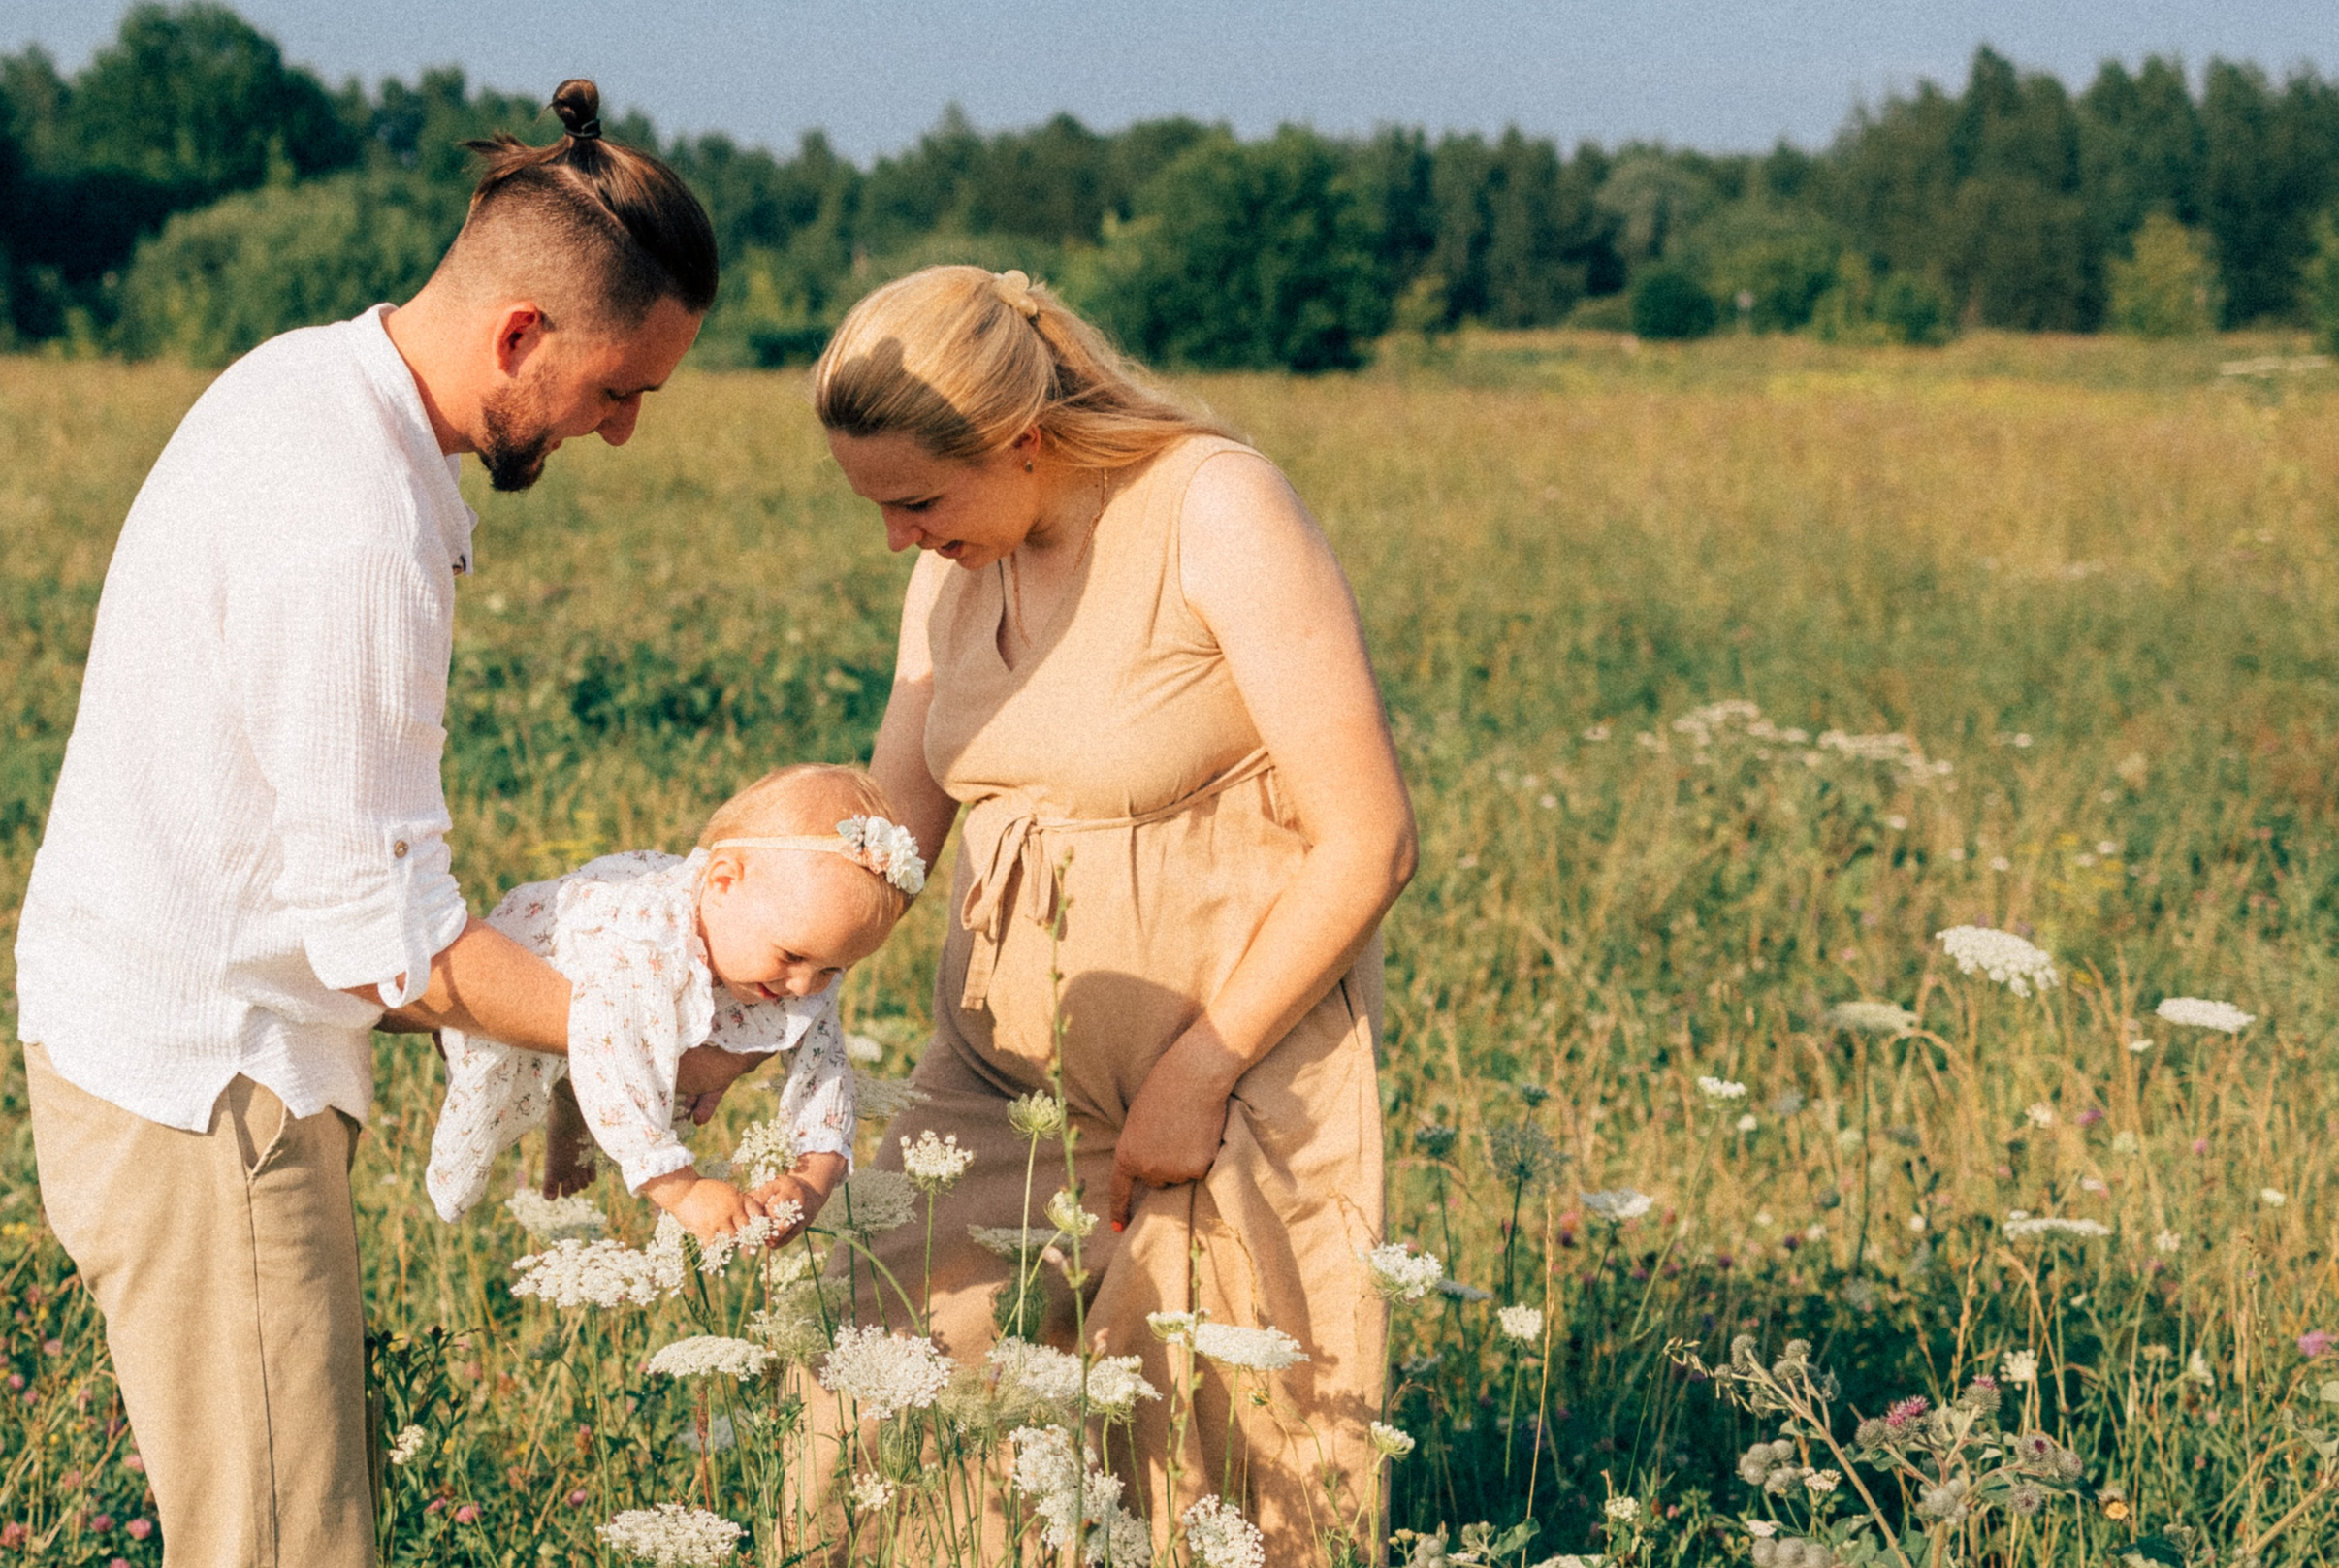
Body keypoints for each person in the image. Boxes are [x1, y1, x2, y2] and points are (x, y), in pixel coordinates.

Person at [12, 80, 726, 1568]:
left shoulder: (309, 380)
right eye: (618, 389)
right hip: (214, 1089)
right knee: (284, 1544)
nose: (623, 433)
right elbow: (384, 942)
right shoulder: (357, 520)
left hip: (159, 1037)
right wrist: (650, 1042)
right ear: (522, 332)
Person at [801, 265, 1419, 1556]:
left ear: (1022, 441)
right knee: (886, 1402)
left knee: (1219, 1471)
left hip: (1225, 1070)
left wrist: (1202, 1069)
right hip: (994, 1075)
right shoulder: (952, 571)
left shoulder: (1216, 508)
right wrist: (712, 961)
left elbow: (1368, 841)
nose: (896, 538)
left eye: (917, 500)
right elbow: (892, 844)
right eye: (876, 505)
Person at [424, 764, 923, 1243]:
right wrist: (684, 1190)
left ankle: (576, 1102)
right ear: (723, 883)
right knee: (575, 1071)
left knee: (668, 1052)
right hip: (547, 970)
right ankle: (573, 1102)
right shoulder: (644, 945)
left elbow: (825, 1069)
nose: (804, 984)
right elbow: (614, 1051)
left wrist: (813, 1178)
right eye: (792, 957)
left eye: (833, 970)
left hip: (647, 1001)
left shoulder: (799, 953)